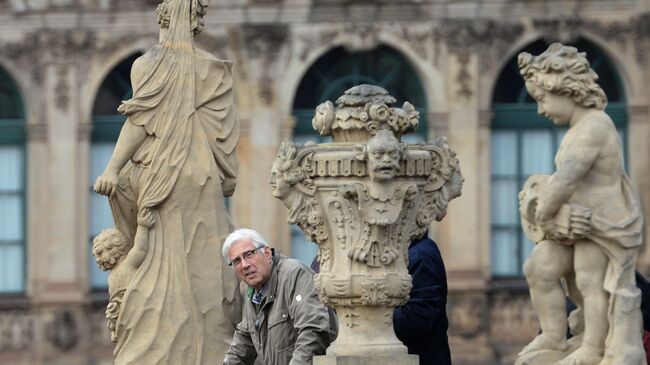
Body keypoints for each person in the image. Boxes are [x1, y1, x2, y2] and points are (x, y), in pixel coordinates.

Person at [92, 0, 241, 362]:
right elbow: (223, 137)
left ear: (162, 15)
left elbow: (139, 123)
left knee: (160, 258)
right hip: (200, 173)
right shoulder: (211, 68)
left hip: (161, 173)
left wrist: (112, 168)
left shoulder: (148, 65)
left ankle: (165, 339)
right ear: (197, 21)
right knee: (203, 255)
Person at [517, 43, 644, 364]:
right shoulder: (577, 129)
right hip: (573, 224)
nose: (540, 110)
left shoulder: (595, 126)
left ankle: (593, 346)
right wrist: (546, 214)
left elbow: (565, 181)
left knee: (590, 279)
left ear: (565, 89)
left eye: (542, 99)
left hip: (601, 224)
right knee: (539, 266)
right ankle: (554, 336)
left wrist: (544, 216)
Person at [222, 228, 335, 365]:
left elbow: (313, 331)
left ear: (267, 253)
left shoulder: (294, 275)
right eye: (236, 261)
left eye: (249, 254)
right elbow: (242, 344)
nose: (244, 265)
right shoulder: (250, 289)